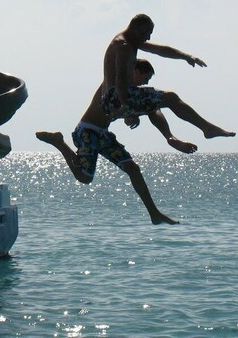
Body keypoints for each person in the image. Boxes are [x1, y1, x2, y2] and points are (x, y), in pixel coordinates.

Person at [37, 60, 196, 225]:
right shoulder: (112, 83)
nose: (146, 83)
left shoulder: (131, 93)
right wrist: (127, 113)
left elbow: (151, 108)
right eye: (145, 78)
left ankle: (154, 213)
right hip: (87, 131)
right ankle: (59, 142)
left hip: (103, 134)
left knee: (133, 169)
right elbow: (110, 107)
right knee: (84, 177)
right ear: (135, 71)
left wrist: (169, 136)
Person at [100, 13, 235, 139]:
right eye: (147, 33)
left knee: (155, 102)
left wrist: (187, 56)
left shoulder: (131, 42)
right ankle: (207, 128)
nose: (148, 38)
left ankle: (178, 135)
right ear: (137, 29)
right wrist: (126, 109)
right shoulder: (123, 46)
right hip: (116, 97)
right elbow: (121, 78)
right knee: (170, 98)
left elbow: (160, 50)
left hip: (115, 98)